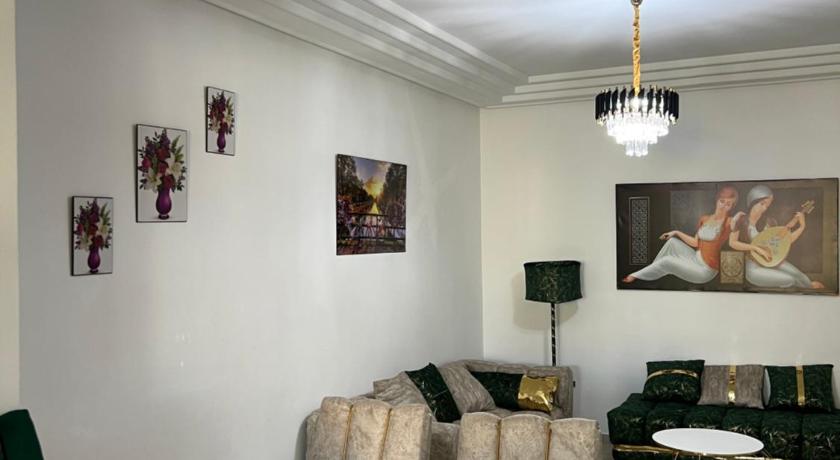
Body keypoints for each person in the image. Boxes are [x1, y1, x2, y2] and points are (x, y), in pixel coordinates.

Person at [623, 185, 739, 284]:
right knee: (672, 242)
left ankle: (636, 275)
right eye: (722, 201)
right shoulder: (705, 218)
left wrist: (737, 221)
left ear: (732, 207)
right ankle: (652, 269)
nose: (723, 206)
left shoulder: (729, 222)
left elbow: (734, 236)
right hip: (696, 258)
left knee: (667, 261)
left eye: (728, 204)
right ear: (717, 200)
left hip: (706, 270)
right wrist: (675, 232)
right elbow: (695, 243)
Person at [728, 185, 824, 289]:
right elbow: (732, 243)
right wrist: (756, 248)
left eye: (767, 206)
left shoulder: (769, 222)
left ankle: (811, 289)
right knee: (791, 279)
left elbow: (786, 241)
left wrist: (802, 227)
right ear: (752, 201)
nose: (764, 208)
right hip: (753, 267)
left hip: (772, 261)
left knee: (802, 278)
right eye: (762, 204)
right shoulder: (741, 220)